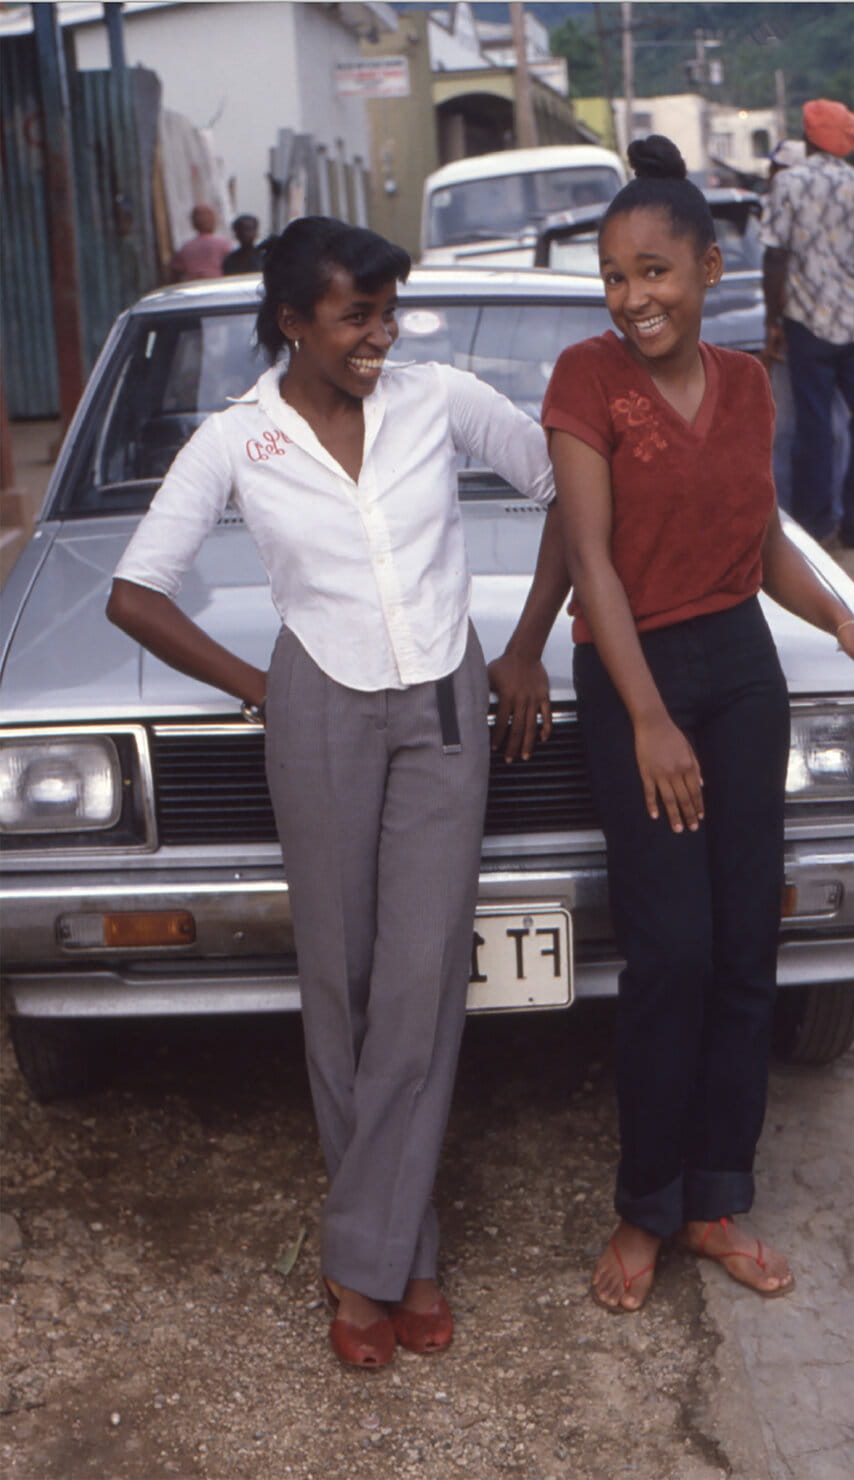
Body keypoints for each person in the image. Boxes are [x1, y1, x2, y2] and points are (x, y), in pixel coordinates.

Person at [107, 216, 562, 1369]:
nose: (380, 336)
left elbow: (572, 487)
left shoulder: (440, 398)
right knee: (341, 978)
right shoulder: (236, 441)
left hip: (444, 705)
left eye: (386, 312)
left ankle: (373, 1258)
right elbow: (136, 592)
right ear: (291, 322)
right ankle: (400, 1252)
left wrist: (522, 649)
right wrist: (263, 686)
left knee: (419, 979)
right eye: (355, 315)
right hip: (317, 703)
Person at [518, 135, 854, 1311]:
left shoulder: (745, 383)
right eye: (614, 276)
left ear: (709, 264)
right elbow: (589, 552)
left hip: (739, 669)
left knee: (746, 947)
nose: (632, 297)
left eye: (654, 272)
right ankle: (643, 1206)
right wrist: (643, 716)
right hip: (635, 668)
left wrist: (844, 625)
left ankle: (712, 1201)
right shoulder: (586, 379)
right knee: (670, 951)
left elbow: (764, 540)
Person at [760, 99, 854, 549]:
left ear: (809, 134)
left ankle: (814, 526)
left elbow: (774, 258)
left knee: (814, 426)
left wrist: (773, 320)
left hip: (805, 324)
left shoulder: (789, 184)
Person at [169, 204, 233, 282]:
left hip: (194, 287)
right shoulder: (224, 244)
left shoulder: (185, 247)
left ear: (194, 223)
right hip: (217, 286)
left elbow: (175, 273)